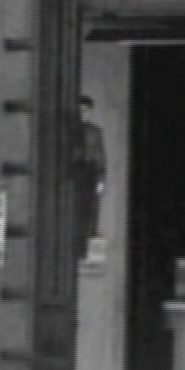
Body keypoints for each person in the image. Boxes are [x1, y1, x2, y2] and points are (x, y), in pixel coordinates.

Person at [74, 95, 107, 264]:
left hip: (90, 174)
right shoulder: (69, 130)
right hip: (75, 175)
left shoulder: (95, 131)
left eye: (85, 110)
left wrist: (100, 181)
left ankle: (83, 250)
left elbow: (100, 156)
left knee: (89, 213)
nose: (82, 114)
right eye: (79, 110)